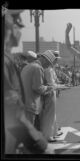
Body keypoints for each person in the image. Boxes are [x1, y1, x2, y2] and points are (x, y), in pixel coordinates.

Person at [3, 9, 54, 154]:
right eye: (18, 25)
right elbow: (37, 88)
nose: (20, 30)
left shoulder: (23, 64)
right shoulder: (36, 68)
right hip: (28, 107)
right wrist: (41, 145)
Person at [21, 50, 56, 130]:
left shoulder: (28, 66)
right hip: (30, 104)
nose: (47, 67)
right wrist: (49, 87)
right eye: (48, 64)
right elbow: (38, 88)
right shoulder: (38, 68)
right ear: (44, 59)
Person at [40, 50, 64, 142]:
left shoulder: (50, 68)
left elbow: (54, 82)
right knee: (49, 116)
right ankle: (47, 136)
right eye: (55, 59)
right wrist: (61, 86)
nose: (56, 61)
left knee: (51, 114)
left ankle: (53, 133)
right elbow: (51, 83)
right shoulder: (48, 69)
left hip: (51, 91)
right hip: (49, 92)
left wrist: (59, 85)